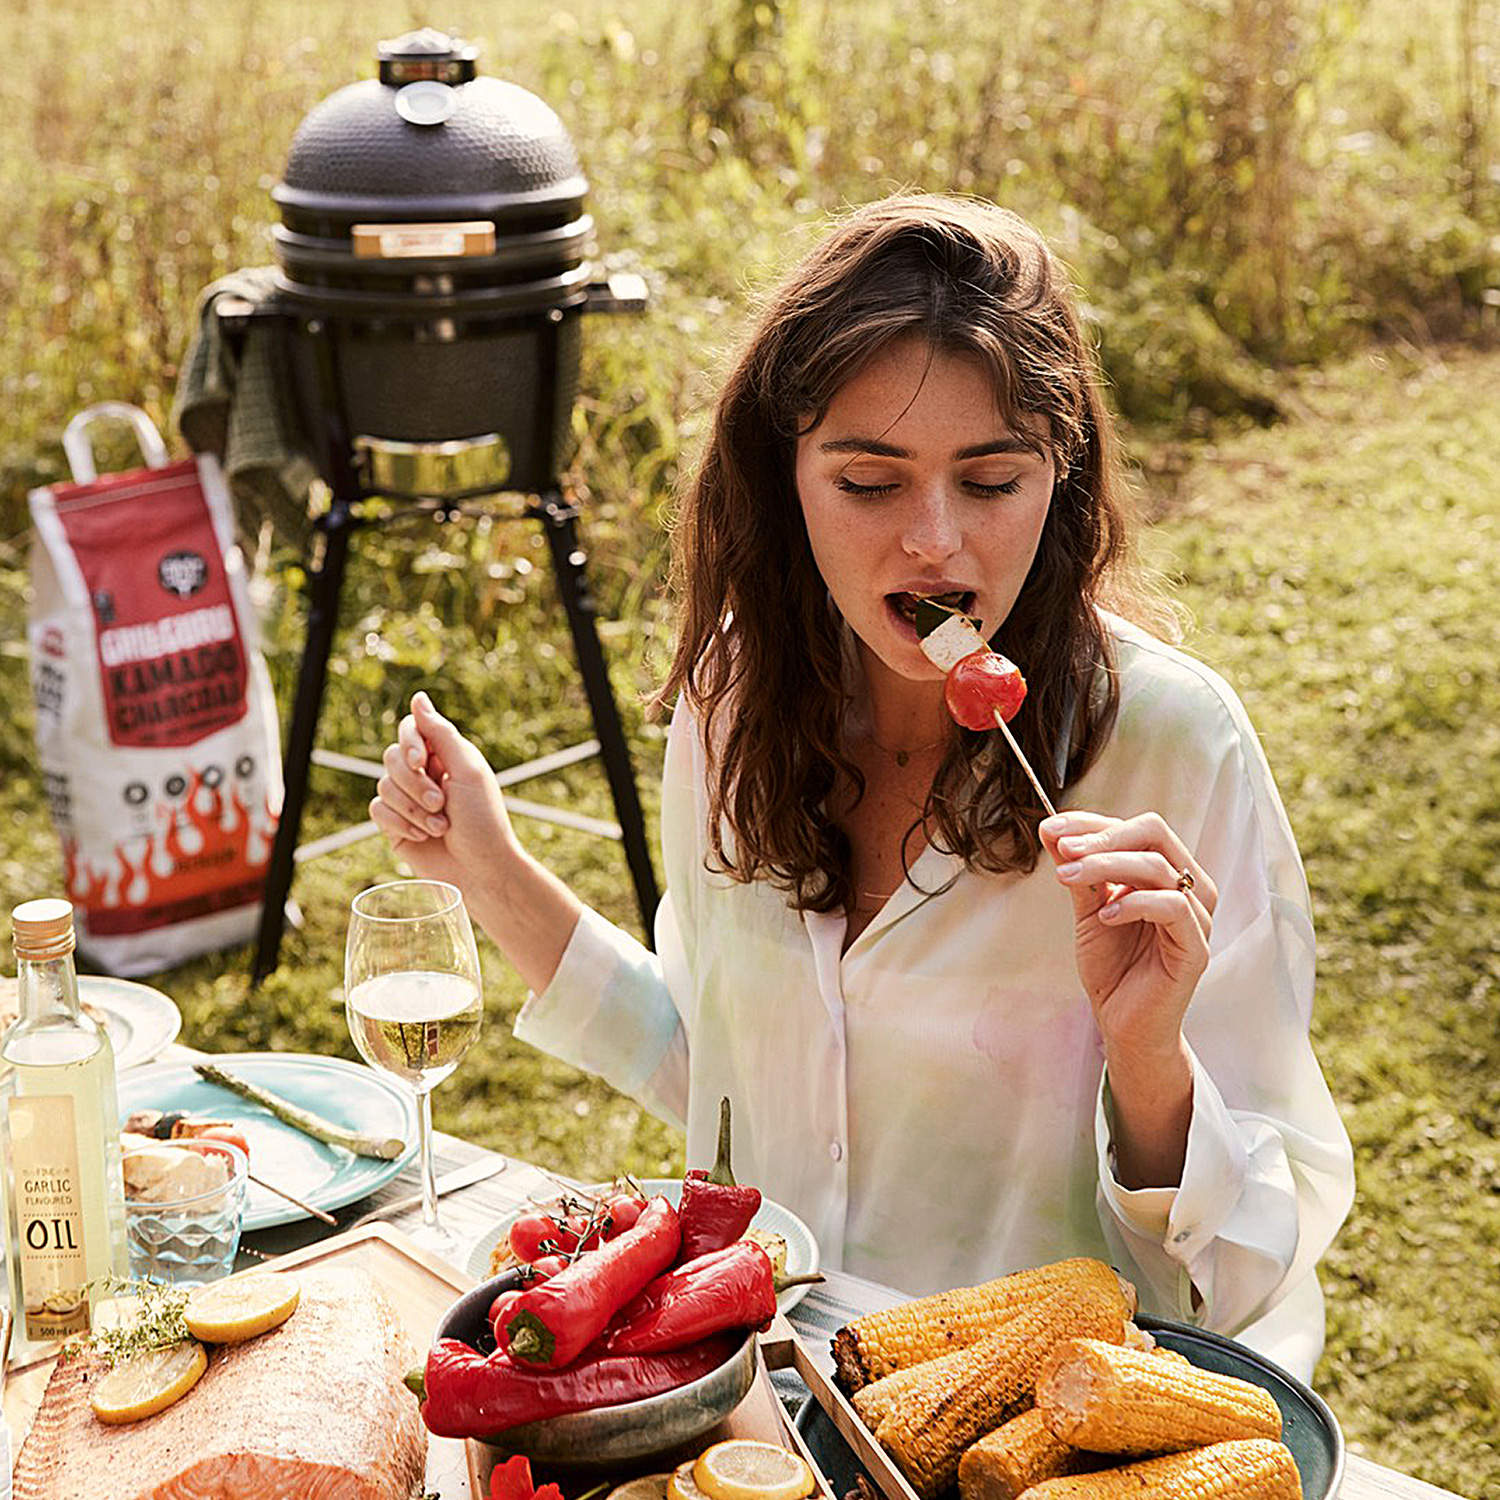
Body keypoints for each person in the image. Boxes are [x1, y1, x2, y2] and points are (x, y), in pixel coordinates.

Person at [370, 193, 1354, 1379]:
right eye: (871, 483)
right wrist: (489, 868)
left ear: (1061, 474)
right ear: (784, 477)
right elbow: (721, 1074)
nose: (935, 543)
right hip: (768, 1397)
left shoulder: (1169, 746)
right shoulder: (734, 697)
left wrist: (1150, 1064)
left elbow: (1247, 1272)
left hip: (1035, 1424)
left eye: (991, 483)